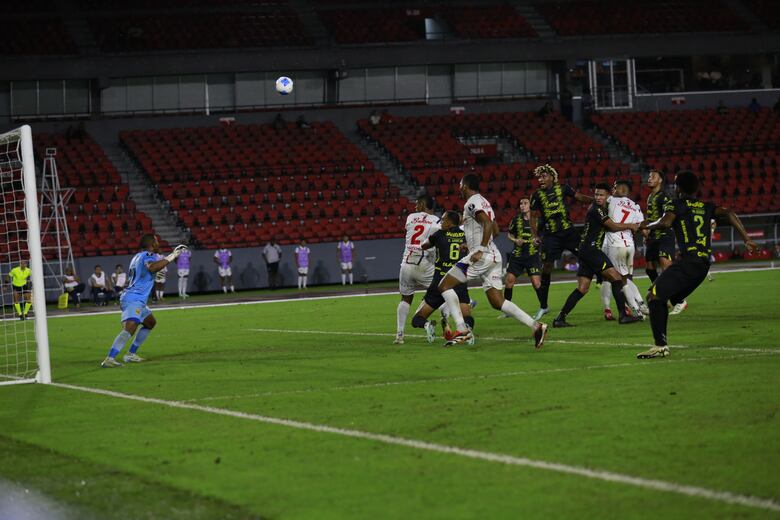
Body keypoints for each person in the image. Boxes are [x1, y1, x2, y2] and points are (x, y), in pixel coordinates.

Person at [636, 171, 757, 359]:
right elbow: (729, 213)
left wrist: (645, 226)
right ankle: (663, 336)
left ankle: (660, 346)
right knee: (662, 298)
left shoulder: (677, 204)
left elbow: (666, 222)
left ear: (678, 188)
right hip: (702, 266)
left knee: (654, 296)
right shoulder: (706, 206)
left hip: (688, 262)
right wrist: (747, 239)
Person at [437, 173, 547, 348]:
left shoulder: (471, 203)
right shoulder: (485, 202)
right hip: (493, 256)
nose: (459, 189)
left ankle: (462, 329)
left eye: (460, 185)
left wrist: (479, 248)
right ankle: (536, 326)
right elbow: (495, 230)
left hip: (481, 257)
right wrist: (474, 244)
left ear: (465, 186)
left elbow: (487, 224)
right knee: (497, 301)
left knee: (444, 286)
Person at [551, 184, 643, 328]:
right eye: (596, 194)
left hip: (585, 250)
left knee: (582, 288)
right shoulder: (596, 209)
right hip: (591, 250)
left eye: (601, 195)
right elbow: (612, 226)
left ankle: (560, 318)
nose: (598, 197)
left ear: (608, 196)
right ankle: (623, 316)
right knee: (617, 278)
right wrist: (630, 225)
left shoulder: (602, 208)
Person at [101, 235, 187, 367]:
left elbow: (146, 271)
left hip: (137, 299)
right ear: (152, 243)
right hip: (133, 298)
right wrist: (172, 255)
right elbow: (151, 267)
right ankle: (110, 358)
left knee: (150, 323)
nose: (158, 243)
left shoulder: (137, 256)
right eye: (156, 241)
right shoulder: (148, 254)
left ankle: (130, 354)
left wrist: (155, 271)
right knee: (130, 328)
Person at [529, 164, 593, 320]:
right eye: (539, 177)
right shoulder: (536, 195)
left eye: (544, 176)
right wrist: (535, 235)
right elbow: (533, 216)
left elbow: (579, 197)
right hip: (550, 236)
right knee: (546, 267)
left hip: (569, 232)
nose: (540, 179)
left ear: (552, 177)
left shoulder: (564, 188)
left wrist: (596, 201)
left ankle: (601, 280)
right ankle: (543, 306)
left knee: (587, 255)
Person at [411, 210, 474, 344]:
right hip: (458, 279)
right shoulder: (466, 235)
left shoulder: (439, 234)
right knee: (467, 316)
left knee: (417, 319)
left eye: (443, 219)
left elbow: (424, 246)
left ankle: (428, 324)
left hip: (439, 281)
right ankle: (467, 331)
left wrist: (434, 238)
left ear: (450, 222)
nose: (441, 222)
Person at [395, 195, 440, 344]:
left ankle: (400, 335)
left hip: (406, 263)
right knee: (442, 293)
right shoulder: (437, 221)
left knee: (405, 299)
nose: (415, 207)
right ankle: (449, 323)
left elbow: (412, 231)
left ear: (422, 204)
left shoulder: (410, 217)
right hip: (424, 263)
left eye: (417, 204)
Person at [599, 180, 647, 320]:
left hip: (614, 244)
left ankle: (635, 310)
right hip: (629, 245)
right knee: (625, 278)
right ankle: (640, 304)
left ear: (623, 189)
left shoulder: (611, 200)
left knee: (614, 279)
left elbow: (597, 203)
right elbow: (641, 228)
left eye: (615, 187)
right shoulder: (636, 206)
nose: (613, 190)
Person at [643, 170, 687, 315]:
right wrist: (647, 231)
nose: (649, 178)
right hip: (653, 237)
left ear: (660, 180)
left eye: (653, 177)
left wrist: (649, 227)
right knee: (649, 268)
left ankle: (680, 300)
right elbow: (651, 217)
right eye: (649, 176)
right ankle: (661, 292)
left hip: (664, 236)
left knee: (666, 269)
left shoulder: (664, 196)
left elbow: (667, 218)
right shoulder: (650, 197)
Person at [499, 197, 544, 318]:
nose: (522, 205)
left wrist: (538, 240)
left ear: (530, 205)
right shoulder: (516, 219)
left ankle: (543, 307)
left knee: (536, 283)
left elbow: (543, 235)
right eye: (520, 203)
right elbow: (509, 234)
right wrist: (515, 240)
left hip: (532, 255)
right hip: (517, 255)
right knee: (509, 281)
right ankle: (507, 311)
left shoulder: (538, 220)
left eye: (525, 203)